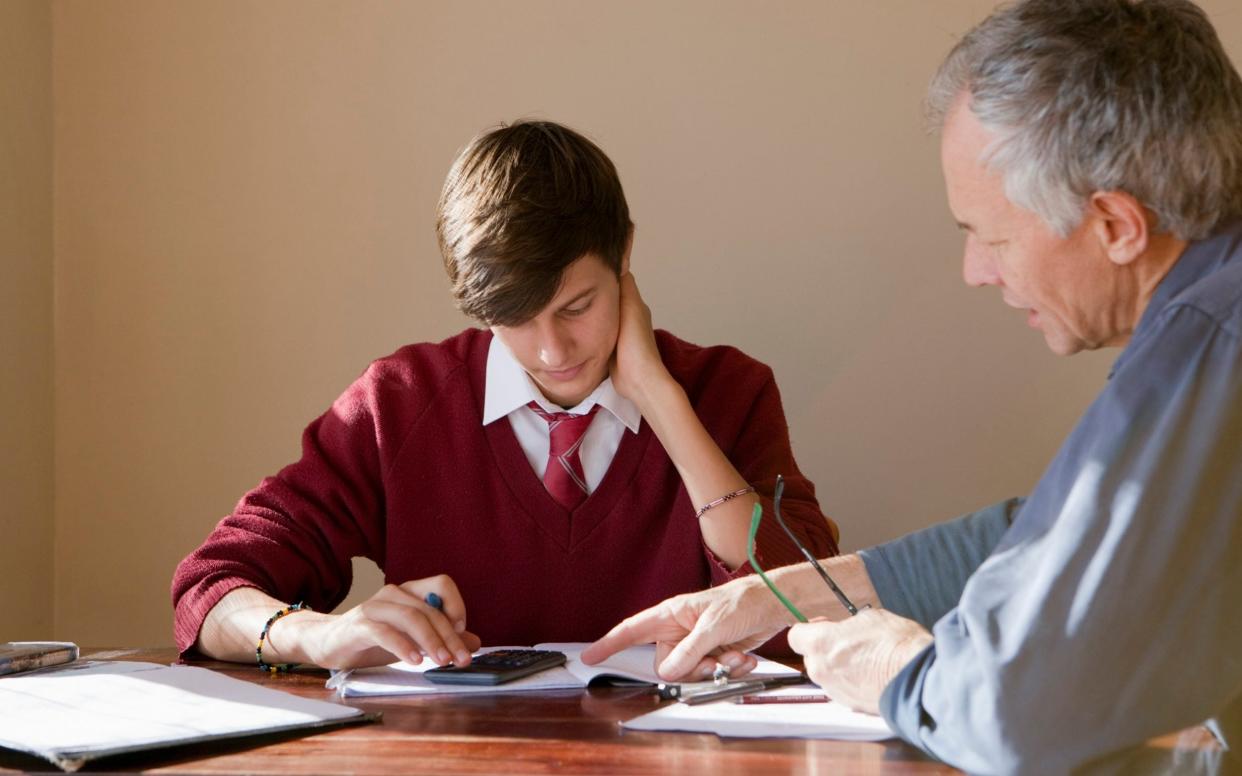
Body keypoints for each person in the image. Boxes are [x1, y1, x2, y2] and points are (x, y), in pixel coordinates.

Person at [583, 1, 1242, 771]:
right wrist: (790, 593)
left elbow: (1015, 712)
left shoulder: (1212, 342)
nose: (976, 273)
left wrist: (896, 668)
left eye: (991, 237)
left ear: (1118, 226)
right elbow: (1068, 532)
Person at [171, 121, 838, 673]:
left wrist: (661, 400)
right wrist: (319, 638)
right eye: (515, 320)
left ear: (624, 255)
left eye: (577, 307)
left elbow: (812, 611)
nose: (553, 351)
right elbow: (210, 588)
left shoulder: (729, 393)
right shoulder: (401, 404)